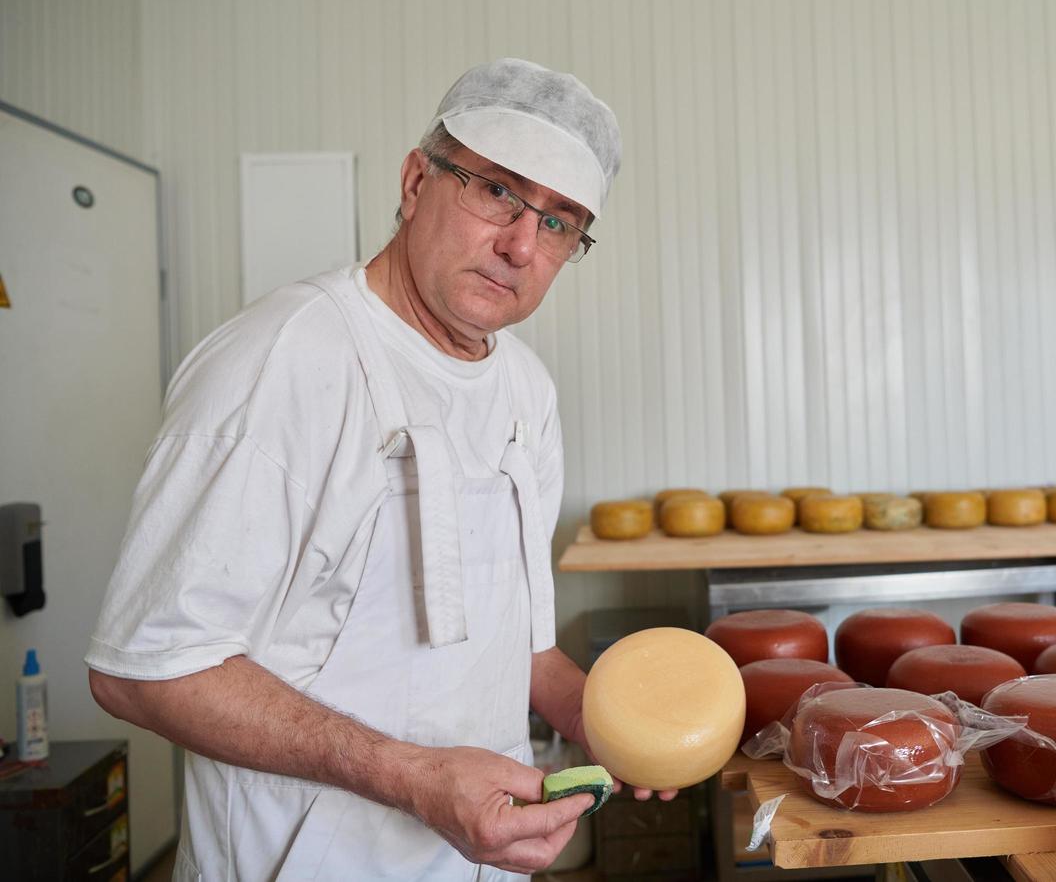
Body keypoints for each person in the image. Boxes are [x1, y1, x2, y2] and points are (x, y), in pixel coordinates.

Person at [86, 59, 669, 880]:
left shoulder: (524, 392)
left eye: (560, 222)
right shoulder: (284, 362)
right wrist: (414, 777)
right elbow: (144, 669)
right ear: (414, 181)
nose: (519, 245)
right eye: (497, 191)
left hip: (478, 862)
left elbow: (522, 650)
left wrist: (616, 722)